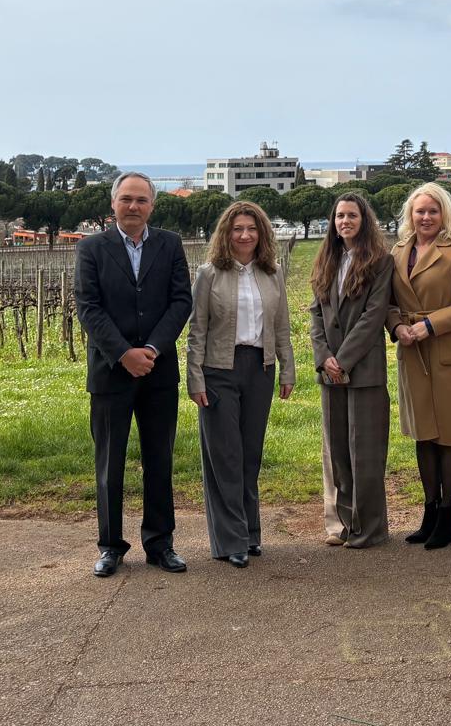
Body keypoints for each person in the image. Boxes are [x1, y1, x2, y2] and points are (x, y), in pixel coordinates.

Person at [75, 172, 194, 578]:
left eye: (141, 200)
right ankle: (111, 546)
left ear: (152, 207)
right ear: (113, 204)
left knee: (159, 459)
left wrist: (152, 349)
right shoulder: (91, 248)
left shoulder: (170, 244)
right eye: (126, 199)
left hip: (158, 372)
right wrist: (124, 354)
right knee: (109, 463)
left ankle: (160, 544)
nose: (133, 206)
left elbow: (181, 301)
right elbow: (88, 306)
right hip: (111, 372)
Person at [187, 201, 295, 568]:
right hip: (219, 370)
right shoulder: (209, 275)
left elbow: (281, 326)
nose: (245, 235)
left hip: (260, 370)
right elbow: (197, 330)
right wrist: (195, 378)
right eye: (237, 229)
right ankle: (230, 540)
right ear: (226, 234)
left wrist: (287, 369)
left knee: (250, 455)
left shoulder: (273, 273)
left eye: (251, 228)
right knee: (225, 457)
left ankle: (250, 534)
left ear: (262, 233)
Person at [388, 181, 451, 550]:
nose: (426, 217)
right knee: (424, 434)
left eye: (433, 211)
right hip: (411, 352)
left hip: (446, 351)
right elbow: (388, 301)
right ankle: (429, 510)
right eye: (420, 211)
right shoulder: (398, 251)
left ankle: (448, 513)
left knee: (448, 435)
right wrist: (397, 326)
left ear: (444, 214)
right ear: (410, 215)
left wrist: (429, 325)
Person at [309, 192, 396, 549]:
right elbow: (315, 313)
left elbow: (373, 317)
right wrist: (324, 357)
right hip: (329, 373)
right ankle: (344, 524)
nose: (345, 221)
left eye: (352, 216)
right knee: (339, 454)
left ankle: (370, 528)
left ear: (364, 221)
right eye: (340, 216)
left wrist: (342, 360)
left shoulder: (381, 262)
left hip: (364, 372)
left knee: (366, 454)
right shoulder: (326, 260)